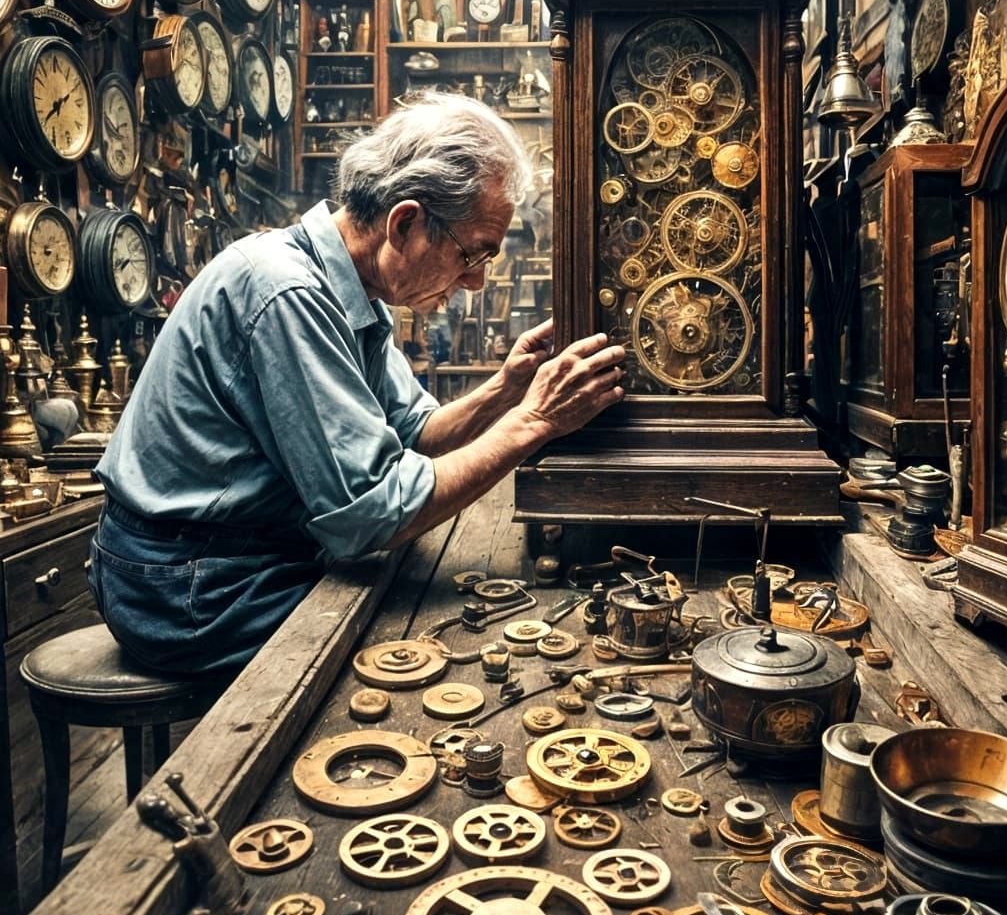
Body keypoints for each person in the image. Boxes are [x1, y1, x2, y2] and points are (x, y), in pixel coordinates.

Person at [90, 94, 626, 677]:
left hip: (241, 556)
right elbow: (372, 515)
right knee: (412, 648)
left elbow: (415, 433)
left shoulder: (354, 292)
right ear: (405, 223)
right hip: (186, 582)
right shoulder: (288, 292)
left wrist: (507, 388)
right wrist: (535, 422)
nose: (475, 282)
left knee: (427, 611)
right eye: (472, 254)